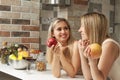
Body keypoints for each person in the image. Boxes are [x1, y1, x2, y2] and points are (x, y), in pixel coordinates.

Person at [78, 12, 120, 80]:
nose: (79, 30)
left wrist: (92, 63)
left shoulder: (109, 44)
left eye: (82, 26)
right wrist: (81, 52)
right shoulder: (97, 45)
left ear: (92, 27)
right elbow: (89, 78)